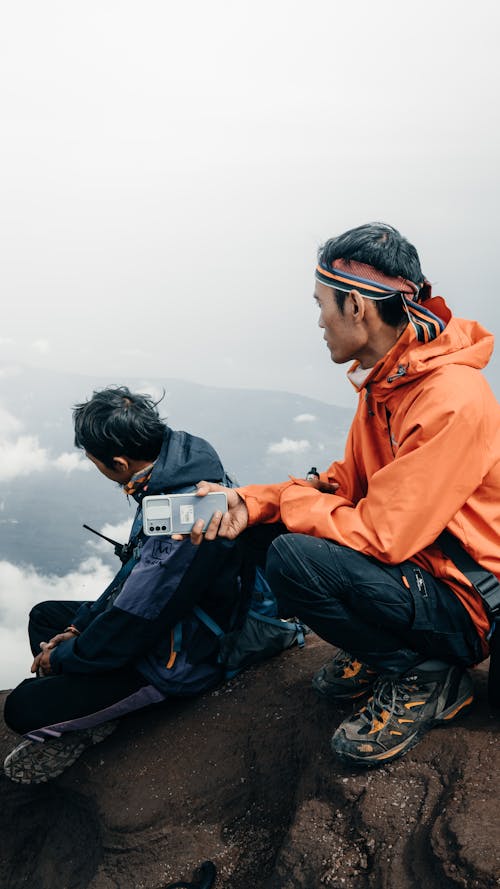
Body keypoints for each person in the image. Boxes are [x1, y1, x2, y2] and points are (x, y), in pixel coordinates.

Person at [187, 222, 500, 766]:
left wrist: (287, 506)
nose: (319, 321)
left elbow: (384, 534)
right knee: (266, 527)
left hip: (466, 599)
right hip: (421, 572)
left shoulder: (449, 397)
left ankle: (425, 675)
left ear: (356, 306)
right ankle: (381, 650)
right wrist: (251, 502)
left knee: (293, 554)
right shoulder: (388, 383)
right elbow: (345, 483)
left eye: (321, 304)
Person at [3, 386, 242, 784]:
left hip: (183, 657)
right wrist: (78, 628)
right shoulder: (174, 471)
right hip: (167, 623)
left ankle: (87, 723)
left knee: (22, 710)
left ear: (118, 463)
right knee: (46, 618)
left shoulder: (184, 518)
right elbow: (135, 572)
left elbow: (133, 623)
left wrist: (62, 658)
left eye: (94, 460)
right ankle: (90, 706)